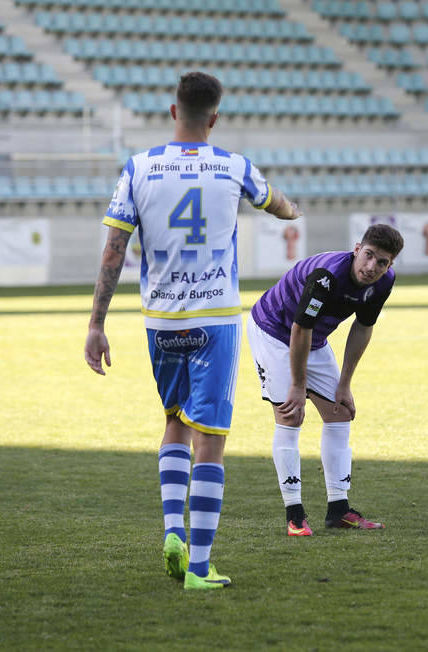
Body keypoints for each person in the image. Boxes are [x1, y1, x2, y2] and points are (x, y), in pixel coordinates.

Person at [84, 72, 302, 589]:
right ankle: (200, 566)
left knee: (174, 422)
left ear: (172, 111)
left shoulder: (138, 168)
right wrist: (290, 209)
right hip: (216, 321)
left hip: (161, 322)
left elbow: (114, 250)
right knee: (211, 440)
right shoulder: (233, 166)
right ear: (215, 118)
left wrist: (96, 323)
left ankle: (171, 531)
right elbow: (277, 203)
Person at [246, 224, 404, 536]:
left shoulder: (384, 283)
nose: (372, 267)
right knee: (290, 415)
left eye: (382, 262)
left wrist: (344, 385)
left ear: (390, 265)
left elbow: (363, 327)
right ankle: (295, 514)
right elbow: (299, 329)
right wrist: (298, 385)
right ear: (357, 249)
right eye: (369, 255)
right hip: (274, 331)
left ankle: (339, 510)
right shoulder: (326, 276)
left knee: (340, 411)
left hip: (313, 337)